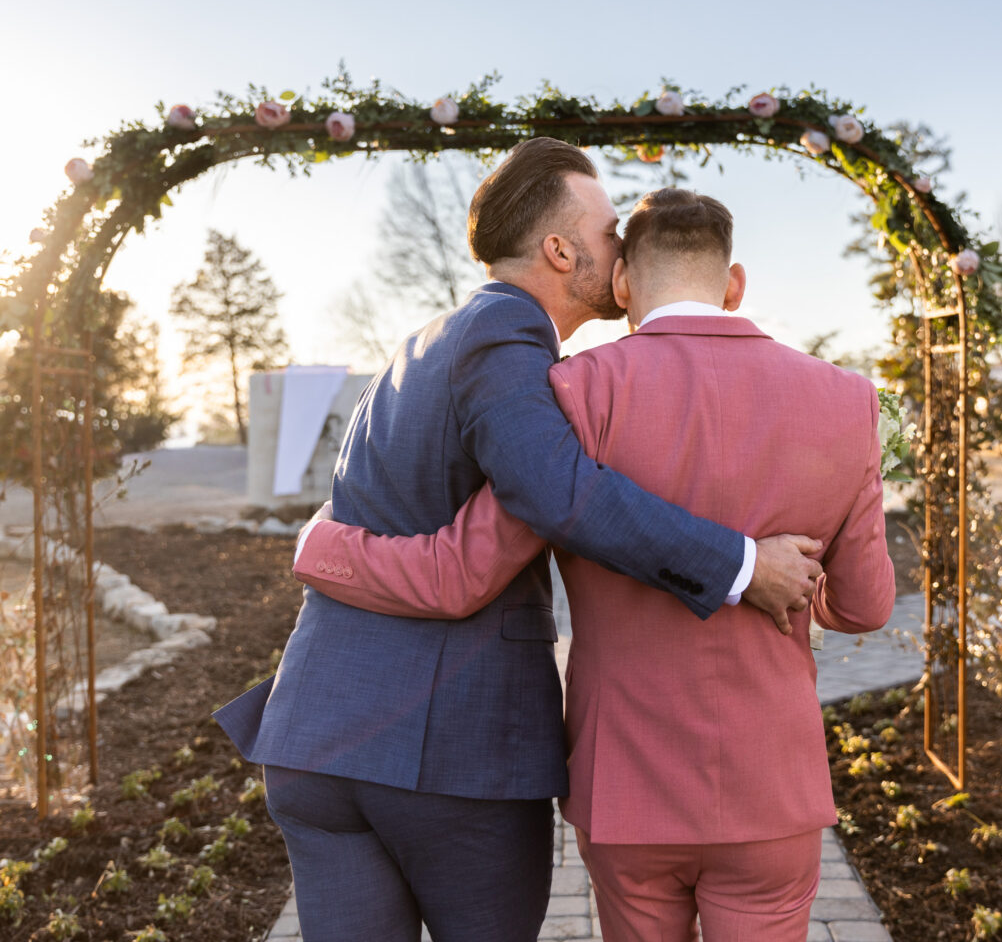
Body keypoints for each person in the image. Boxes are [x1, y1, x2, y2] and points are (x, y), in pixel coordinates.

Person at [214, 141, 822, 942]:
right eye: (610, 233)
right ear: (560, 249)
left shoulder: (417, 344)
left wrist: (322, 550)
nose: (624, 247)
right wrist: (741, 563)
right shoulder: (508, 340)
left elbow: (367, 513)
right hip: (445, 754)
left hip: (314, 744)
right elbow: (559, 492)